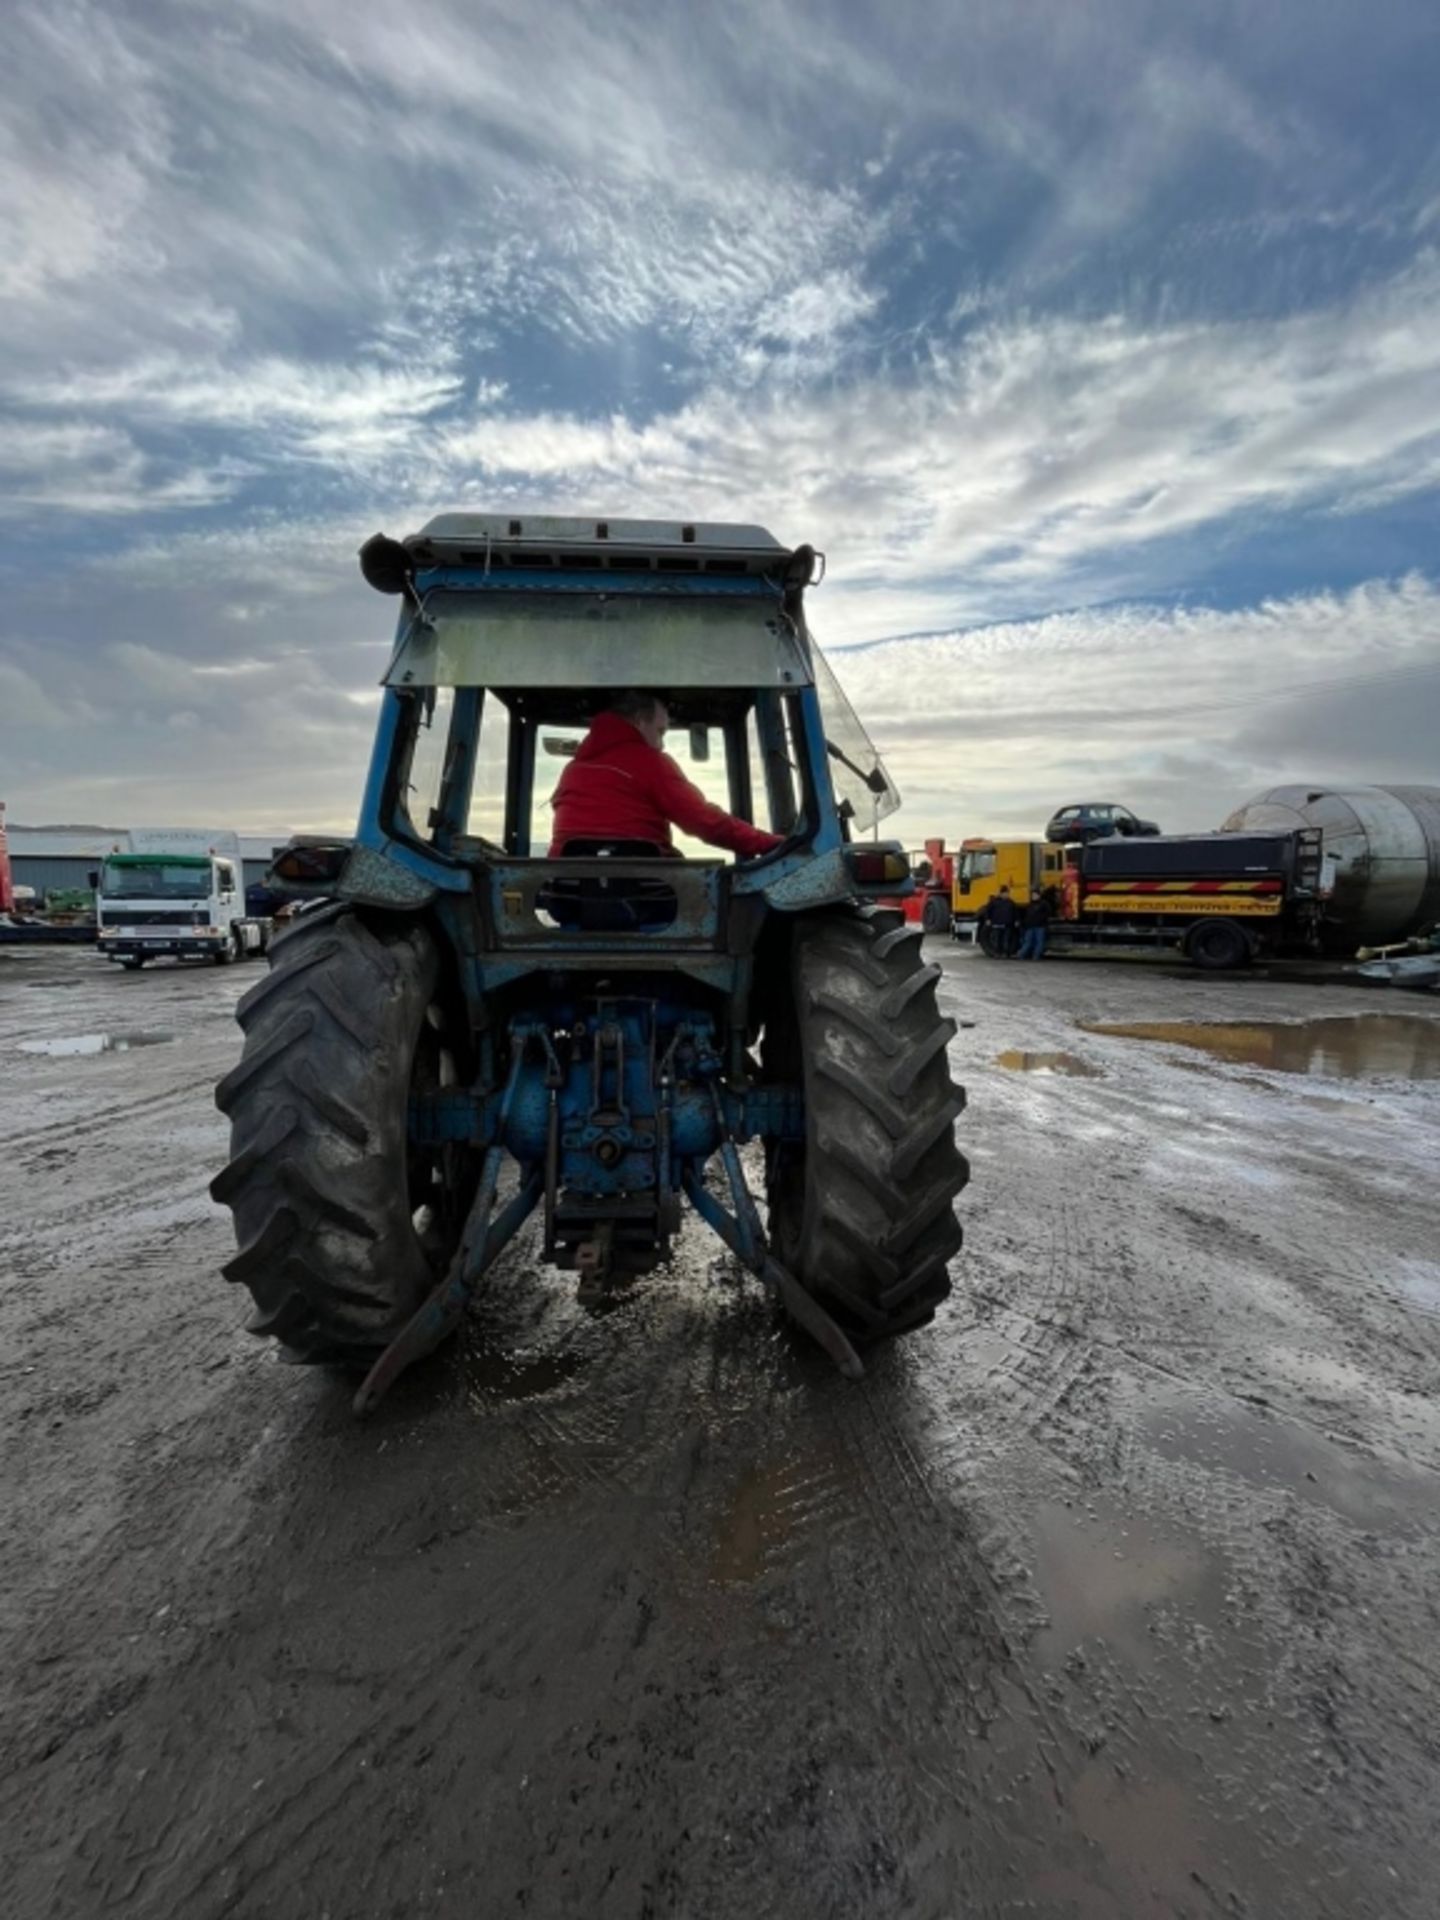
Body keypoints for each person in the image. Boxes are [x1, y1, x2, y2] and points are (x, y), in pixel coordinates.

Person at [548, 690, 784, 860]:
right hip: (641, 896)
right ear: (640, 721)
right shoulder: (650, 762)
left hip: (566, 895)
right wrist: (768, 843)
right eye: (660, 731)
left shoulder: (571, 771)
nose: (661, 745)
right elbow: (703, 821)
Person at [981, 884, 1019, 956]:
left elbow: (1015, 912)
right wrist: (988, 919)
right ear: (1001, 893)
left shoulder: (1011, 902)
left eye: (1007, 893)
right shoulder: (994, 902)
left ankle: (1005, 953)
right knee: (998, 939)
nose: (1007, 895)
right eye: (1005, 893)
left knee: (1006, 939)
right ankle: (997, 953)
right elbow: (988, 911)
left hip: (1008, 924)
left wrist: (1017, 920)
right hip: (997, 924)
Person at [1016, 888, 1053, 960]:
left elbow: (1048, 913)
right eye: (1032, 895)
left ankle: (1035, 956)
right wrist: (1025, 923)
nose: (1033, 896)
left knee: (1039, 942)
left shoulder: (1044, 904)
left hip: (1040, 926)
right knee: (1028, 942)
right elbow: (1026, 915)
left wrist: (1041, 920)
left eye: (1035, 895)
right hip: (1030, 926)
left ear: (1039, 895)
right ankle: (1021, 955)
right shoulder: (1030, 904)